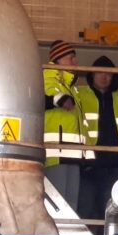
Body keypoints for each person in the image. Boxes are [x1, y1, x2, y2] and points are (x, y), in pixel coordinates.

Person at [74, 55, 118, 224]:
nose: (104, 77)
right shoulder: (79, 95)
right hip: (87, 166)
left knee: (111, 212)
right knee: (85, 211)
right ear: (92, 75)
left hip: (113, 166)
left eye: (108, 74)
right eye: (99, 73)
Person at [43, 40, 87, 208]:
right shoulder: (47, 77)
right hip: (56, 154)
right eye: (70, 58)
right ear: (57, 60)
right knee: (58, 204)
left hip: (71, 153)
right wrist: (59, 100)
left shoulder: (71, 88)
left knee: (70, 205)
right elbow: (45, 97)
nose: (75, 62)